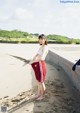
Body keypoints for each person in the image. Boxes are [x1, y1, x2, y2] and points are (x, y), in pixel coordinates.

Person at [29, 34, 48, 100]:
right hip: (38, 64)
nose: (40, 40)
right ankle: (38, 94)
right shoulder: (41, 47)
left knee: (41, 81)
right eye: (39, 39)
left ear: (45, 40)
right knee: (38, 81)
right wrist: (33, 59)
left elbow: (42, 58)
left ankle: (42, 96)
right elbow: (37, 54)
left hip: (41, 65)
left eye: (42, 39)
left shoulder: (45, 47)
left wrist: (33, 61)